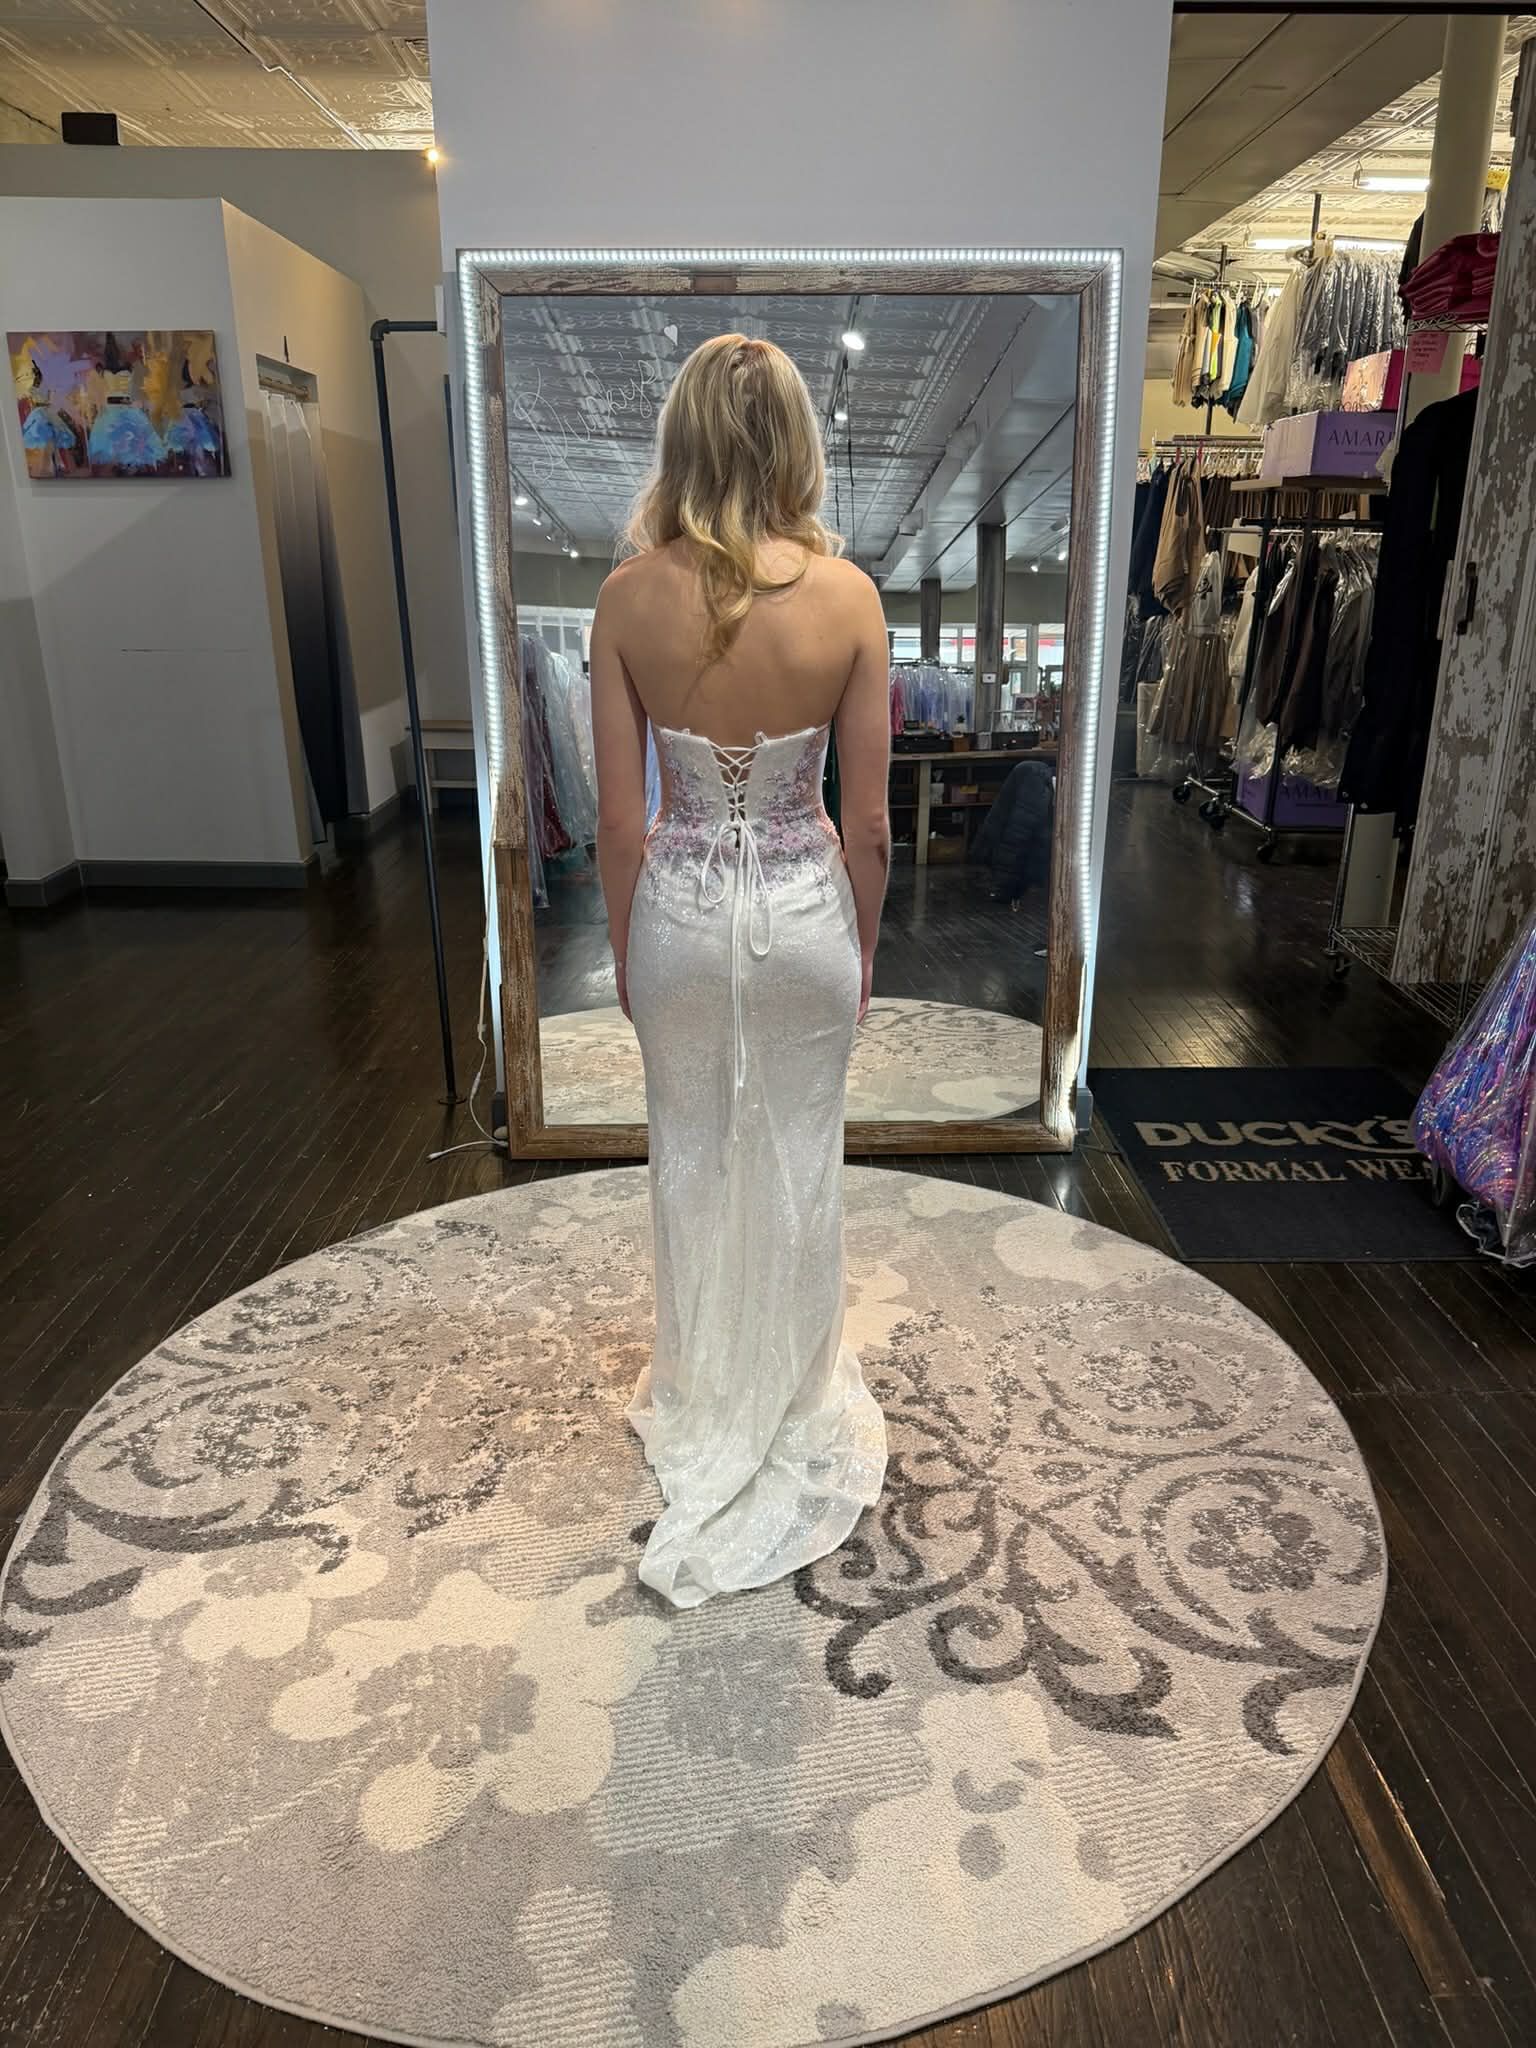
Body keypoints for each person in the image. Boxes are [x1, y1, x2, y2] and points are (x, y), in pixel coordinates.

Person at [589, 333, 892, 1609]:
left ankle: (707, 1386)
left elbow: (618, 824)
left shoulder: (623, 601)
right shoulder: (851, 600)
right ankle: (794, 1398)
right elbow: (868, 825)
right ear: (795, 443)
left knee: (693, 1158)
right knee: (799, 1160)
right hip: (805, 914)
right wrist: (861, 951)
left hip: (678, 907)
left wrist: (626, 949)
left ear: (683, 439)